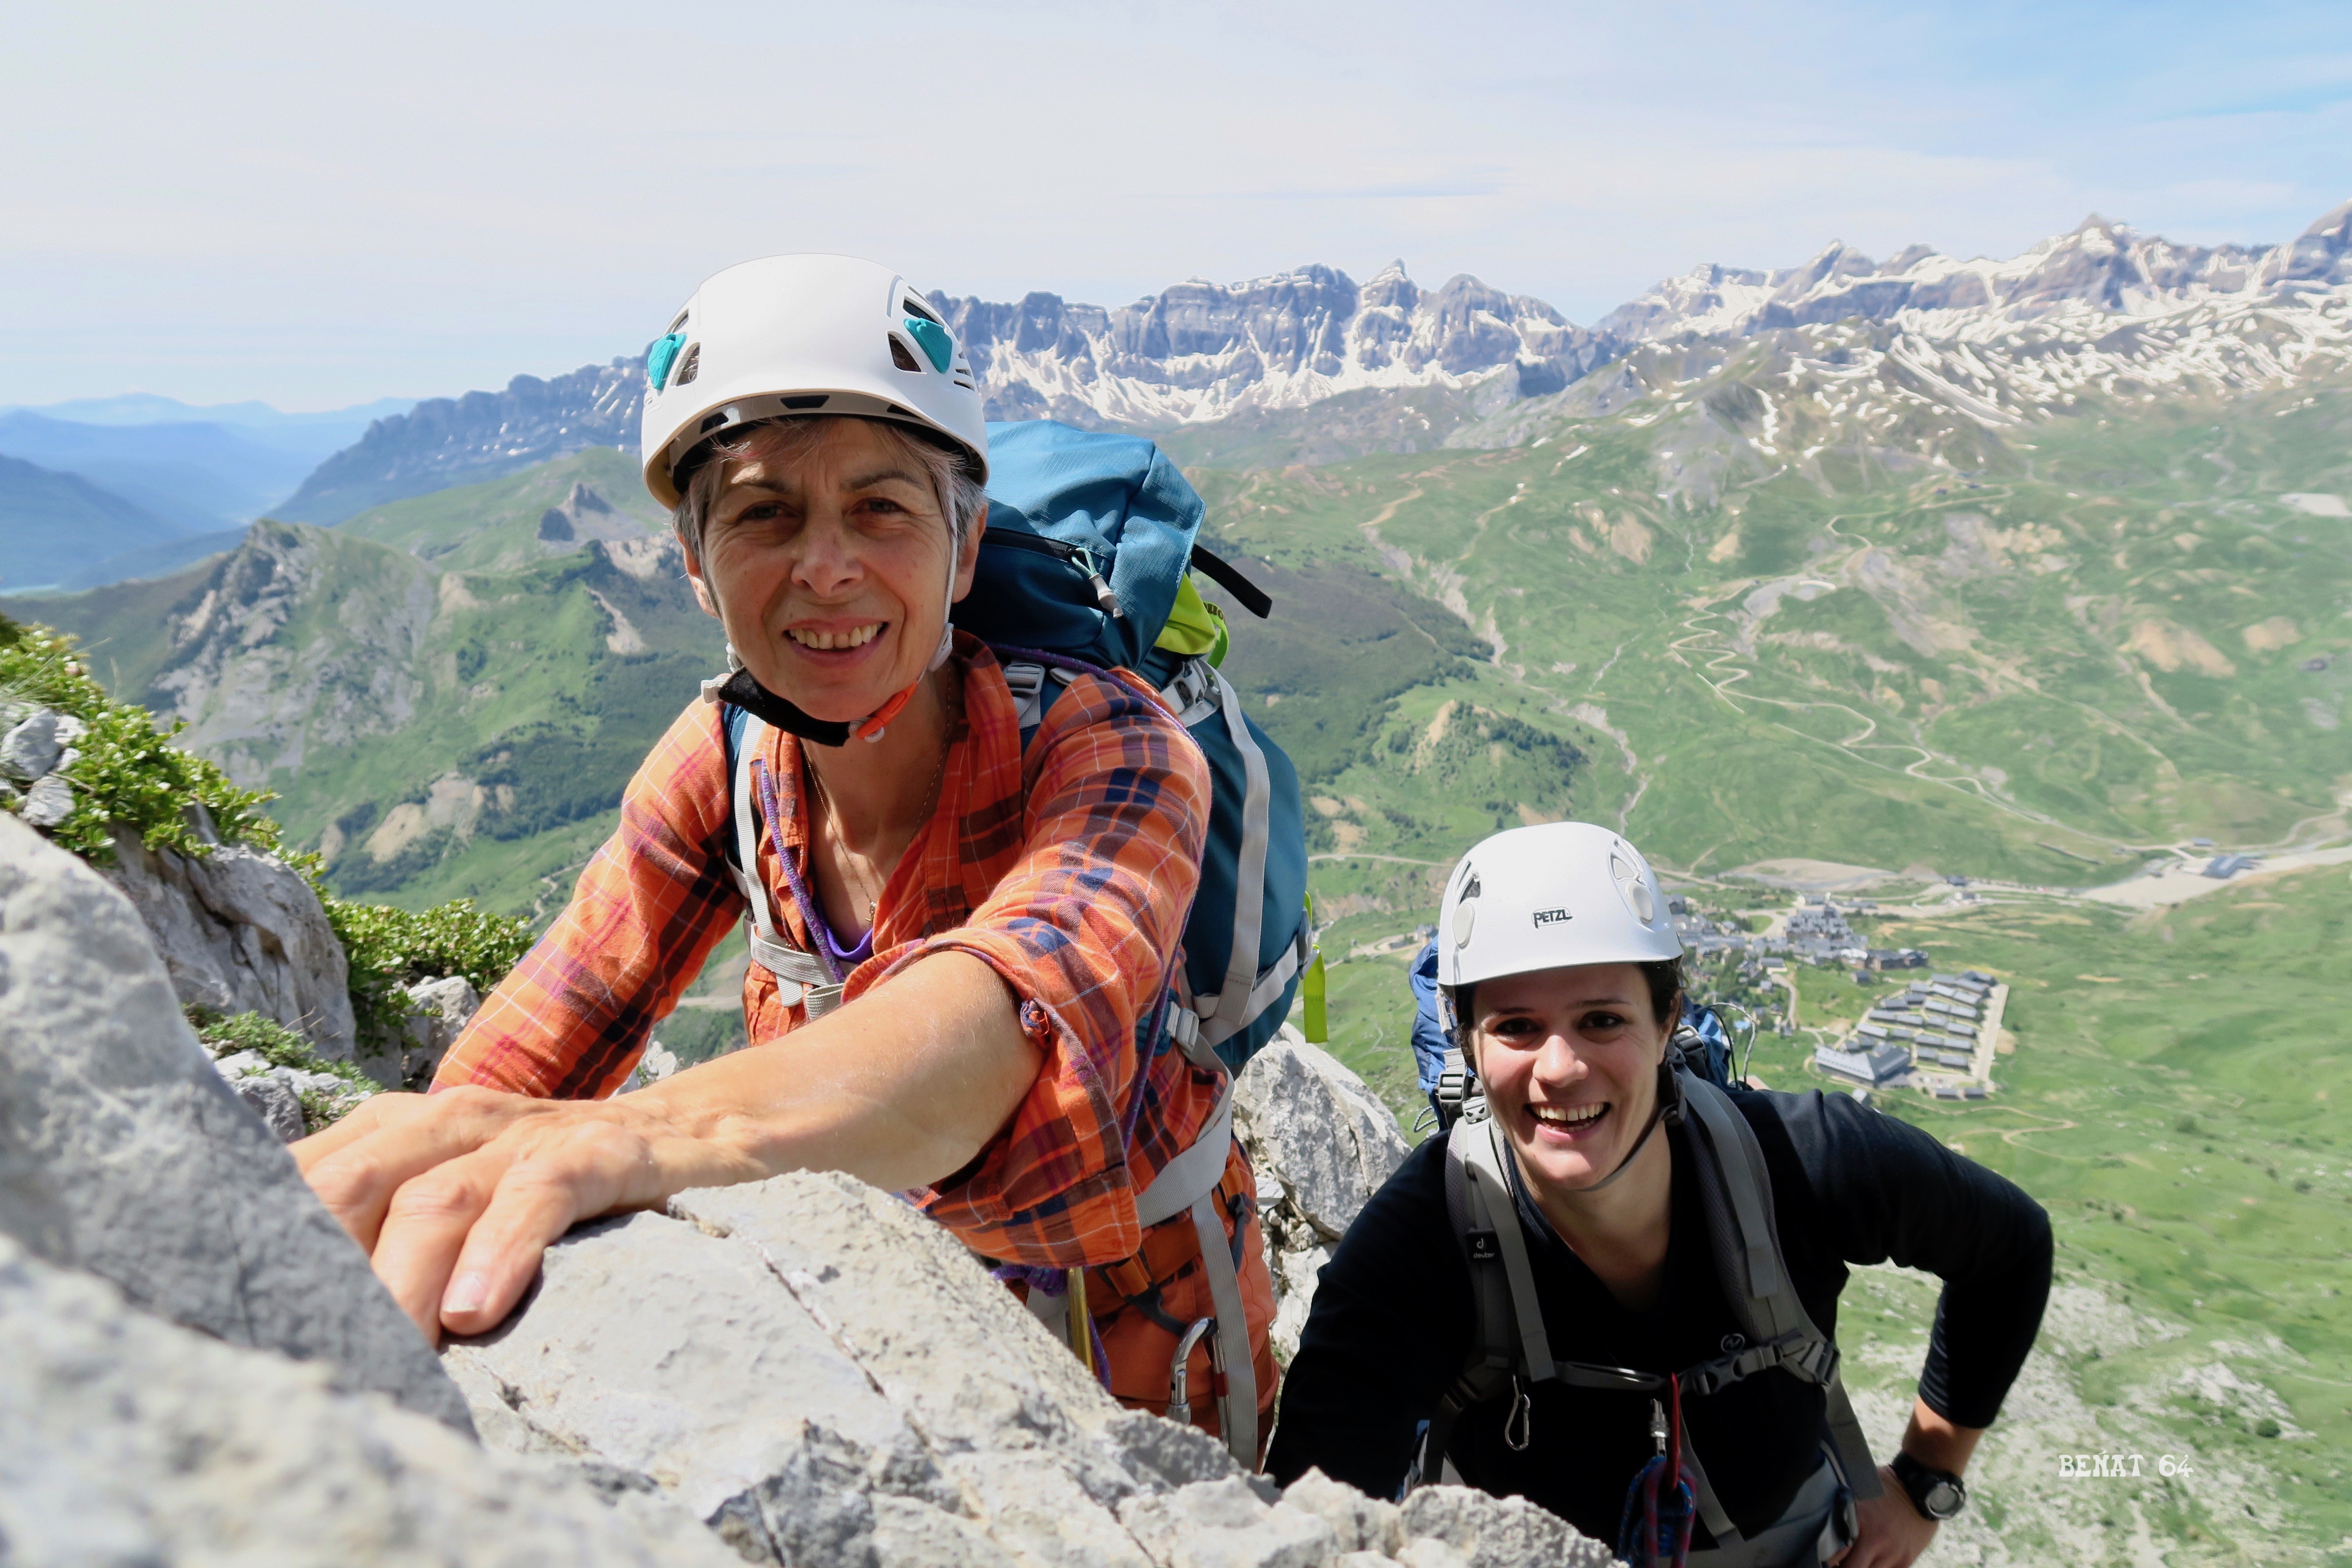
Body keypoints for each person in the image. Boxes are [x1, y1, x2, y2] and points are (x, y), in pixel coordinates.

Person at [293, 253, 1276, 1458]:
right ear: (698, 567)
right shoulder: (726, 758)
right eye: (765, 514)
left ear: (964, 549)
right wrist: (430, 1170)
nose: (826, 567)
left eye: (882, 509)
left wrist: (656, 1137)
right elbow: (554, 1024)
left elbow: (1009, 1014)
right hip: (877, 1304)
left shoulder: (1117, 749)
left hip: (1148, 1324)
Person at [1267, 822, 2051, 1567]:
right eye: (1517, 1028)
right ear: (1467, 1041)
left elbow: (2010, 1248)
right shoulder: (1419, 1244)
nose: (1561, 1068)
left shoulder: (1800, 1161)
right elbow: (1308, 1519)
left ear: (1667, 1018)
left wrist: (1924, 1483)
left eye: (1602, 1020)